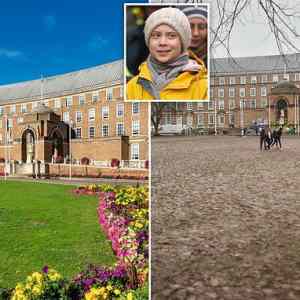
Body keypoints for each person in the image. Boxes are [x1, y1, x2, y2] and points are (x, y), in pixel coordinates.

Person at [126, 7, 208, 101]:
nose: (162, 42)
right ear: (148, 41)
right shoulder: (132, 87)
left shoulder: (203, 87)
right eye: (156, 35)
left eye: (171, 36)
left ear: (183, 41)